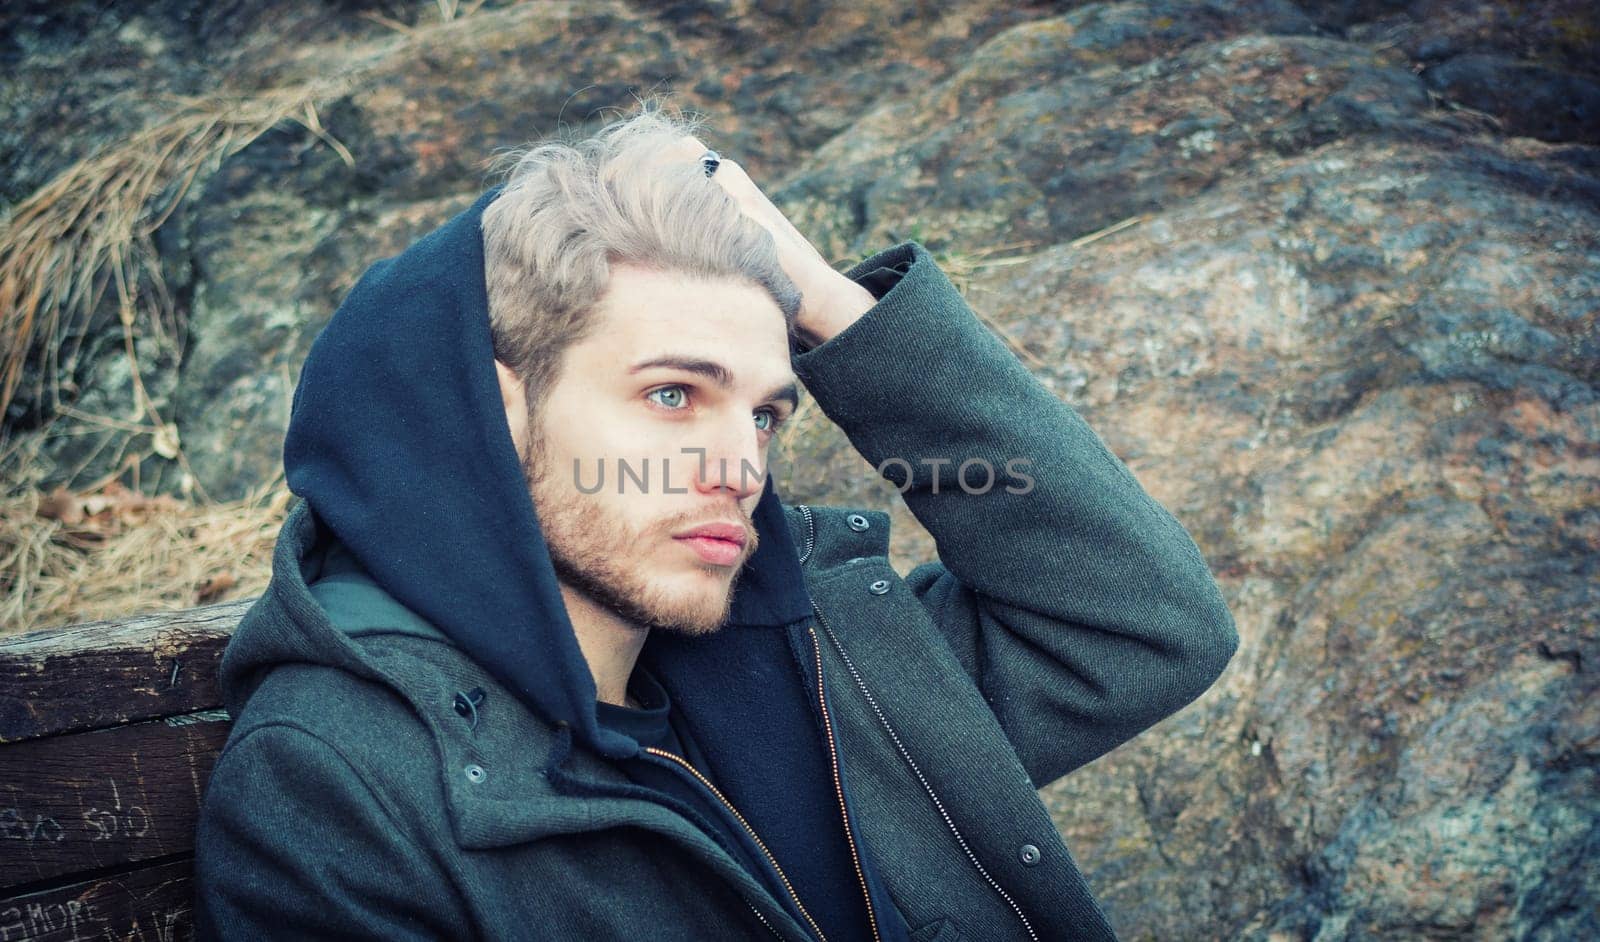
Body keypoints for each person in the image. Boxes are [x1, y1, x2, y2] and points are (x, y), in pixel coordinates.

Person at [193, 99, 1239, 941]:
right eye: (671, 396)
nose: (740, 466)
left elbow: (1143, 622)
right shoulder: (334, 784)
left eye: (766, 414)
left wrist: (830, 304)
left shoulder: (823, 676)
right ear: (494, 411)